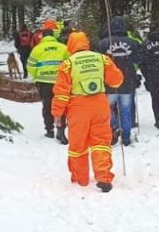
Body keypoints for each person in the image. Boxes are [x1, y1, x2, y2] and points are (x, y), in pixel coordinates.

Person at [51, 31, 124, 192]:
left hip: (78, 108)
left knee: (78, 144)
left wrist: (57, 114)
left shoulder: (67, 64)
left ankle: (80, 178)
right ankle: (104, 176)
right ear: (86, 43)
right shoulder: (102, 59)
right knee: (101, 142)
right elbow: (117, 81)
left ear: (70, 45)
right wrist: (112, 63)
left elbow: (61, 92)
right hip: (100, 104)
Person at [95, 16, 142, 146]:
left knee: (107, 108)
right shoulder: (133, 43)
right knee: (126, 110)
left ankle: (114, 127)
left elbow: (98, 63)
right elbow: (139, 60)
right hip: (128, 82)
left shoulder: (103, 43)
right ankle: (126, 137)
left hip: (109, 83)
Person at [27, 24, 69, 143]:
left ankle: (49, 130)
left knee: (47, 106)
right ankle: (60, 130)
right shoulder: (63, 48)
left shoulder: (37, 49)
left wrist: (37, 76)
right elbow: (69, 63)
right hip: (60, 82)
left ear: (42, 37)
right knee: (60, 106)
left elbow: (30, 66)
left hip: (44, 82)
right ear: (53, 36)